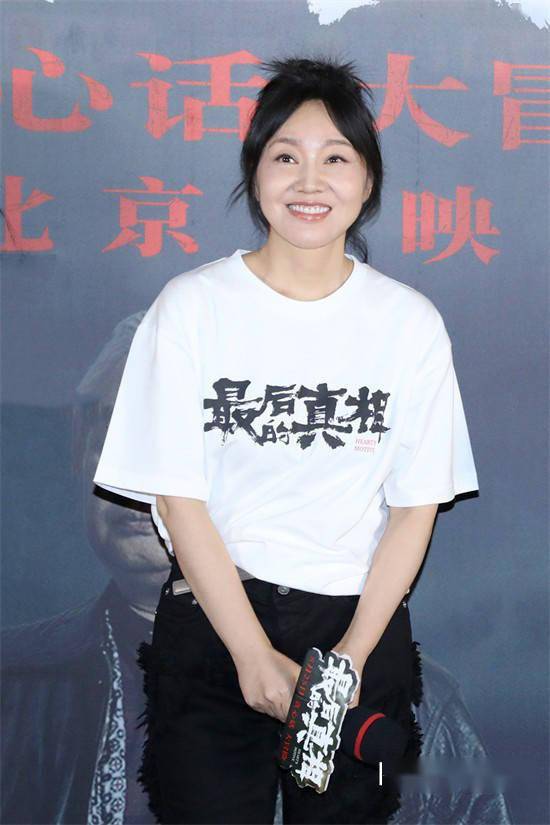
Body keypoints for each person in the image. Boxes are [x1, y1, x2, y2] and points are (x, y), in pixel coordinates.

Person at [93, 54, 479, 825]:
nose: (310, 181)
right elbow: (179, 497)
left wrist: (350, 661)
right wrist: (249, 652)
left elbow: (415, 510)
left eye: (336, 158)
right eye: (285, 157)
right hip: (215, 617)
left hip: (359, 627)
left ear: (367, 181)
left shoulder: (409, 323)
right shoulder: (191, 307)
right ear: (255, 172)